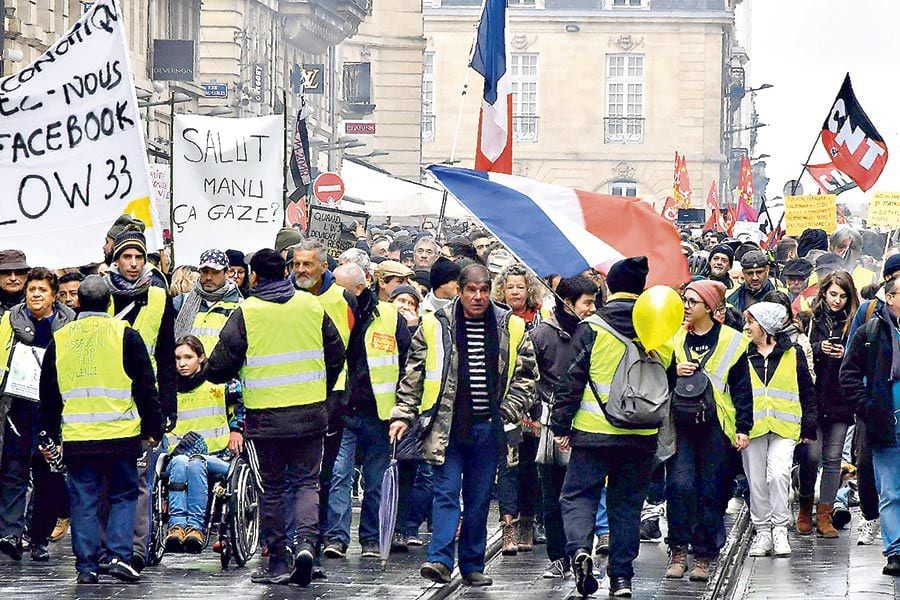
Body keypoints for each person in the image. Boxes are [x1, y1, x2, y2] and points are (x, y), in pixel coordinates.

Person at [389, 264, 537, 587]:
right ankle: (439, 559)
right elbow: (412, 374)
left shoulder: (509, 325)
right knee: (446, 492)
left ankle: (471, 563)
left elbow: (527, 376)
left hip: (488, 427)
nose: (478, 297)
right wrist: (402, 414)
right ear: (459, 290)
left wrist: (508, 410)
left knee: (479, 498)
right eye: (471, 290)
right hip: (446, 426)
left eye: (484, 290)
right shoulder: (435, 325)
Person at [204, 248, 345, 586]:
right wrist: (319, 389)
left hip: (266, 418)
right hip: (310, 414)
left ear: (253, 277)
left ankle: (279, 560)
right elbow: (337, 353)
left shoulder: (247, 311)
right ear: (285, 273)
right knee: (307, 483)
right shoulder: (310, 305)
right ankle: (307, 544)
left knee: (272, 489)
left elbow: (222, 364)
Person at [551, 257, 669, 598]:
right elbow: (670, 378)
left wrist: (561, 424)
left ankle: (580, 551)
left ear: (610, 286)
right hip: (641, 436)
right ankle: (622, 579)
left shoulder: (593, 327)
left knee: (577, 495)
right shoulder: (659, 329)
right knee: (627, 505)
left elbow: (570, 379)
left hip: (594, 434)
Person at [38, 275, 162, 584]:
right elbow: (146, 387)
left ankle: (86, 567)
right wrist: (153, 427)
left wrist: (48, 433)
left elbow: (49, 394)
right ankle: (118, 555)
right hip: (120, 434)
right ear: (109, 302)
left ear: (78, 302)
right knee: (123, 494)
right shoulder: (126, 335)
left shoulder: (61, 339)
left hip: (79, 438)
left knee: (84, 501)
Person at [664, 279, 751, 582]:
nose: (685, 307)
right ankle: (677, 548)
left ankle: (702, 554)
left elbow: (742, 388)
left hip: (717, 426)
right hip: (681, 426)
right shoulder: (674, 338)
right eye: (684, 300)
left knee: (711, 489)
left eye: (692, 302)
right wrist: (673, 373)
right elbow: (658, 378)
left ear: (710, 307)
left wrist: (743, 427)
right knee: (680, 485)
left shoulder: (732, 340)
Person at [323, 263, 410, 558]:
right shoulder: (329, 310)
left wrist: (403, 408)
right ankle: (336, 537)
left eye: (341, 288)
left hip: (379, 414)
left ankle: (371, 538)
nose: (335, 293)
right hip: (343, 411)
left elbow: (408, 362)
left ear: (359, 288)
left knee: (375, 481)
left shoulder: (388, 316)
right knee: (339, 475)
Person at [104, 228, 177, 572]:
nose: (133, 264)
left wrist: (168, 405)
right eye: (126, 257)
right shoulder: (100, 292)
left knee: (141, 479)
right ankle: (108, 546)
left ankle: (135, 548)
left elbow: (166, 354)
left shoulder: (159, 297)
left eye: (139, 257)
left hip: (143, 399)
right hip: (103, 400)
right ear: (115, 259)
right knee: (107, 478)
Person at [291, 239, 357, 578]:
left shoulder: (340, 299)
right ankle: (286, 546)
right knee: (287, 480)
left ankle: (311, 547)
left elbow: (350, 350)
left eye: (308, 264)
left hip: (328, 401)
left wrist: (341, 400)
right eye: (297, 264)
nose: (301, 270)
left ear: (323, 267)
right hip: (286, 401)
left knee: (321, 477)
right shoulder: (283, 296)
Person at [0, 268, 76, 563]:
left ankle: (40, 537)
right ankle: (10, 532)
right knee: (14, 471)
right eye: (32, 289)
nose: (35, 294)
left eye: (42, 290)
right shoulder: (12, 318)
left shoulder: (68, 321)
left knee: (48, 477)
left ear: (54, 295)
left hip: (52, 409)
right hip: (18, 406)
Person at [530, 275, 598, 579]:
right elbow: (530, 377)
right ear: (568, 303)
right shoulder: (542, 335)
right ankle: (559, 556)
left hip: (588, 423)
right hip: (550, 423)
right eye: (587, 303)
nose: (592, 308)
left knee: (581, 492)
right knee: (552, 492)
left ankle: (581, 549)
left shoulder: (598, 332)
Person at [742, 302, 816, 558]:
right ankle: (762, 530)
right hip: (752, 427)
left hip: (785, 426)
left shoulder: (792, 353)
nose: (747, 327)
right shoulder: (743, 352)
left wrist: (808, 426)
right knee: (756, 480)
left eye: (751, 322)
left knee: (779, 474)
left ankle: (780, 528)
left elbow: (807, 389)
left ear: (765, 326)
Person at [840, 276, 900, 575]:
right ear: (890, 297)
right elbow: (848, 375)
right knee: (890, 491)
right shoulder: (871, 332)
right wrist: (868, 408)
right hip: (886, 425)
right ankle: (895, 551)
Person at [163, 335, 244, 554]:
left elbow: (241, 406)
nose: (182, 363)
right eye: (178, 358)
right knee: (182, 462)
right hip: (177, 456)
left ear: (201, 358)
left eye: (188, 357)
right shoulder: (166, 389)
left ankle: (196, 528)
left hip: (219, 457)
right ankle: (177, 527)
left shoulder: (219, 382)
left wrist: (237, 430)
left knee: (196, 463)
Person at [797, 271, 858, 537]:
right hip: (812, 397)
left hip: (840, 399)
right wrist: (819, 346)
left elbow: (860, 358)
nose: (837, 301)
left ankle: (825, 513)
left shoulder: (853, 322)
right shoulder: (808, 319)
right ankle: (804, 506)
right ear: (824, 292)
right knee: (810, 457)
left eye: (843, 296)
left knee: (833, 460)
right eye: (834, 294)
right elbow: (798, 351)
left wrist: (846, 353)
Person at [491, 262, 547, 554]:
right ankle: (508, 526)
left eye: (520, 286)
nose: (515, 291)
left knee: (529, 467)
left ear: (529, 290)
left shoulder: (541, 320)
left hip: (534, 406)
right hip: (505, 406)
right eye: (510, 286)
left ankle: (528, 521)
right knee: (508, 466)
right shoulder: (497, 319)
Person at [173, 249, 242, 356]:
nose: (209, 277)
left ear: (226, 273)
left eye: (215, 272)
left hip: (222, 371)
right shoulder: (182, 301)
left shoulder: (239, 305)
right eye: (205, 272)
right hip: (187, 370)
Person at [0, 250, 28, 316]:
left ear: (26, 276)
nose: (13, 278)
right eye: (6, 272)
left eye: (19, 272)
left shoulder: (38, 304)